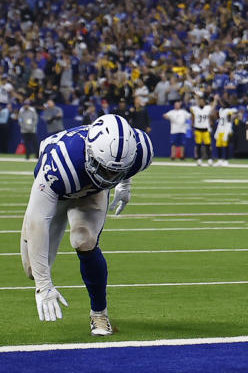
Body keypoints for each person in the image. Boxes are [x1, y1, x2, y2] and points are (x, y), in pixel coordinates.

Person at [20, 114, 153, 335]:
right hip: (59, 189)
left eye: (116, 172)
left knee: (84, 240)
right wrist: (44, 285)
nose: (110, 176)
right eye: (106, 169)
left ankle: (99, 314)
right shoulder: (59, 164)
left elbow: (128, 166)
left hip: (91, 192)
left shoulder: (141, 150)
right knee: (33, 271)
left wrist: (124, 185)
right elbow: (38, 221)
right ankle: (41, 276)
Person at [190, 95, 213, 166]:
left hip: (205, 129)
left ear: (204, 102)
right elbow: (193, 116)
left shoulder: (207, 108)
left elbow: (212, 112)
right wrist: (192, 125)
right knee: (198, 145)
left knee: (207, 145)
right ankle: (199, 159)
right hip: (198, 129)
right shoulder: (195, 108)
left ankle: (209, 159)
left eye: (202, 101)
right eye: (199, 101)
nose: (201, 102)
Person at [213, 97, 237, 166]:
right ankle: (220, 160)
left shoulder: (228, 111)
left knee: (225, 146)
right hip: (220, 129)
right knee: (218, 145)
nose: (221, 104)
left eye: (222, 103)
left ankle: (226, 160)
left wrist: (228, 131)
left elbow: (230, 121)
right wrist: (217, 131)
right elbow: (219, 120)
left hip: (225, 129)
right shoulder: (220, 110)